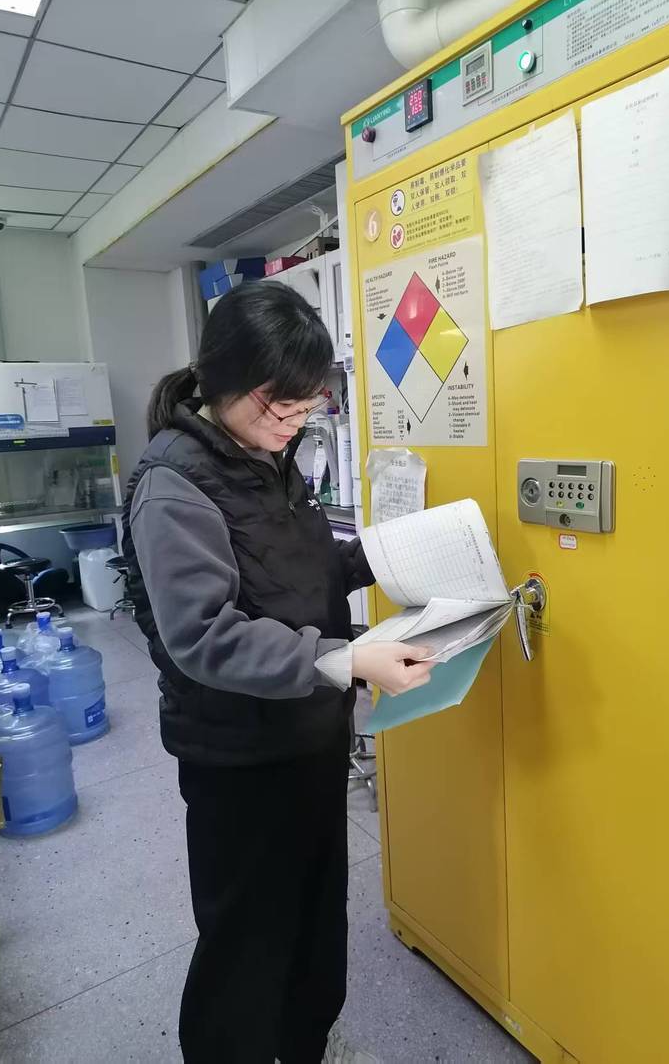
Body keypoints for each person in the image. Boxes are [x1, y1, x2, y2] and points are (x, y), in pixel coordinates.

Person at [122, 280, 433, 1064]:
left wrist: (383, 557)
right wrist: (346, 657)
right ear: (222, 378)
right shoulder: (174, 483)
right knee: (247, 940)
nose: (294, 420)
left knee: (315, 918)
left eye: (304, 404)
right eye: (279, 404)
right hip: (239, 755)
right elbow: (205, 635)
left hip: (308, 734)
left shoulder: (267, 453)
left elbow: (296, 568)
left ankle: (303, 1047)